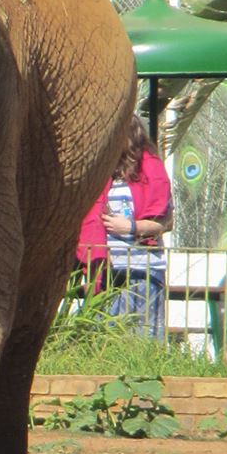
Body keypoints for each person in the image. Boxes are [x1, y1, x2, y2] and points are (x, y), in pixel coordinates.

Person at [77, 115, 173, 339]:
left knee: (141, 337)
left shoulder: (152, 173)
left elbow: (165, 222)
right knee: (105, 338)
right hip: (107, 270)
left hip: (142, 269)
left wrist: (130, 227)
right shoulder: (103, 175)